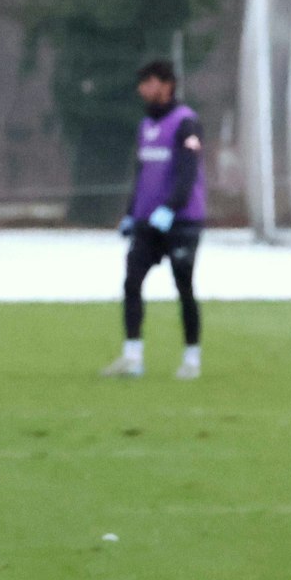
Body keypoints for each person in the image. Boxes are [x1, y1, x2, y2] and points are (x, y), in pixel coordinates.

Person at [101, 60, 207, 380]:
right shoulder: (145, 125)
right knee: (131, 281)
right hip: (148, 223)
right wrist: (131, 213)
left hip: (182, 222)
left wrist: (171, 208)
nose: (142, 89)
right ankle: (132, 357)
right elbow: (142, 174)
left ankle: (192, 358)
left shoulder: (186, 123)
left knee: (184, 285)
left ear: (166, 84)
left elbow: (188, 173)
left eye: (147, 82)